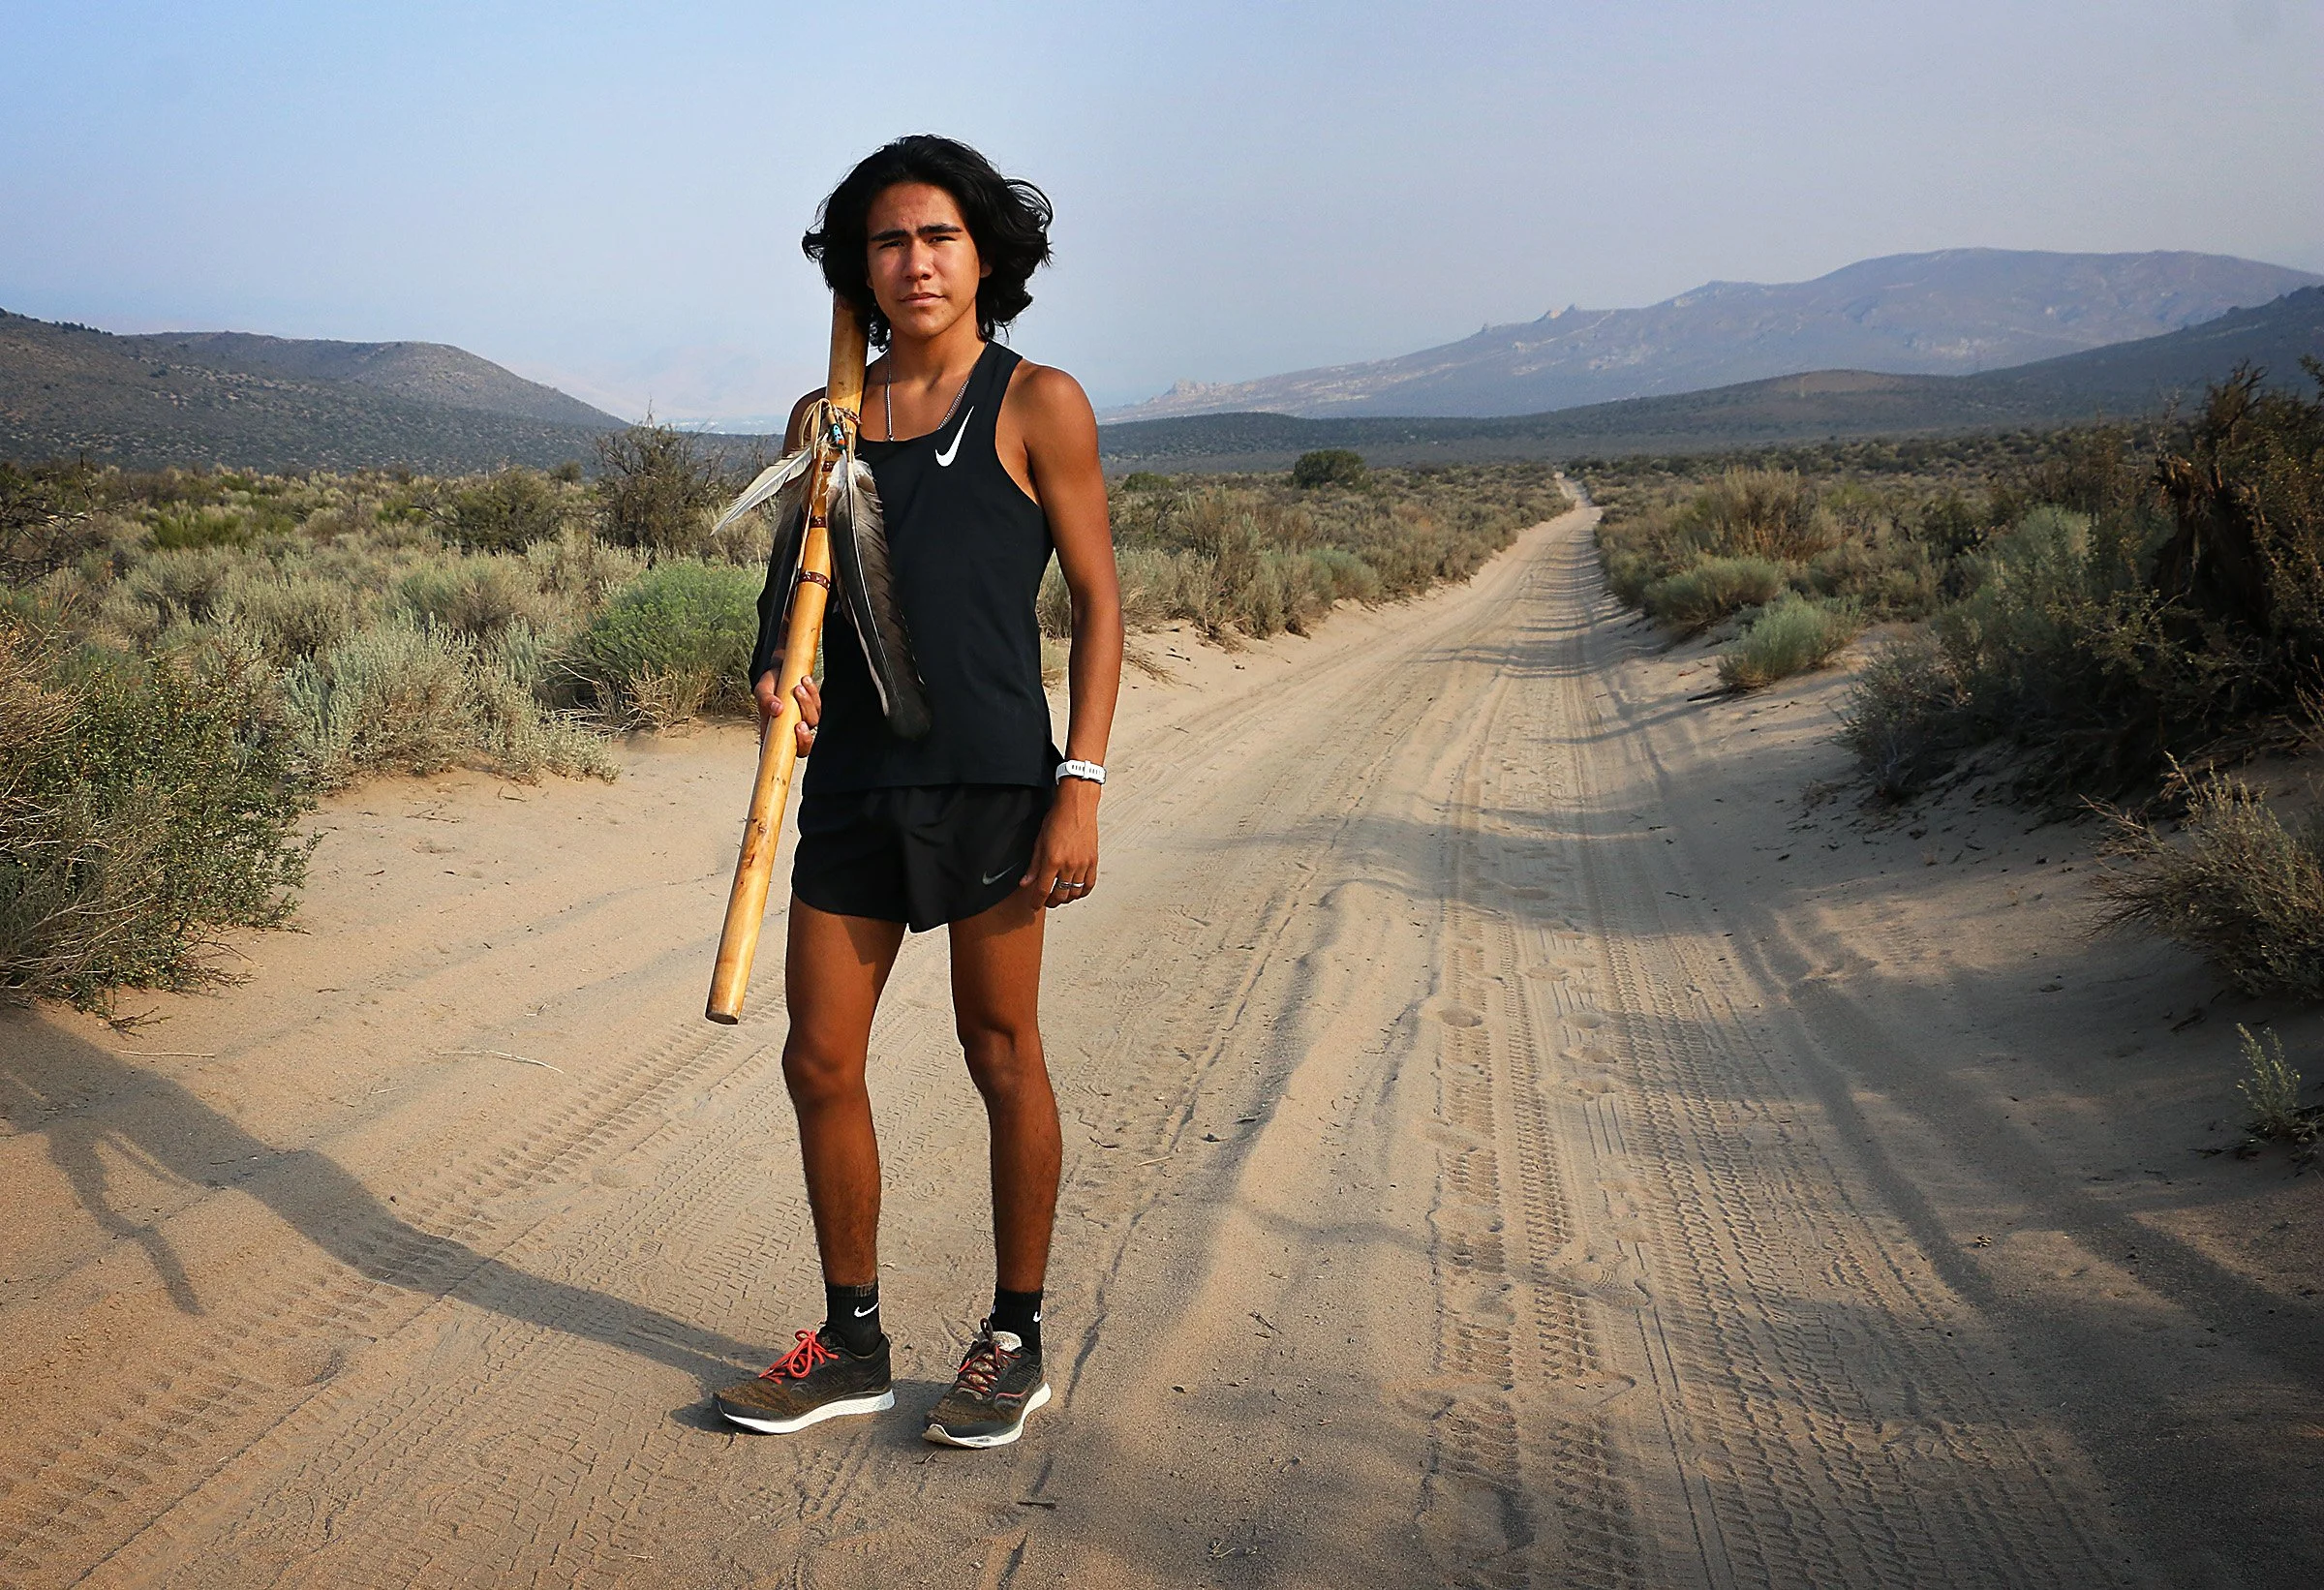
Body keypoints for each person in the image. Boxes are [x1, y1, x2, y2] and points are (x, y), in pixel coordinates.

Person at [711, 136, 1122, 1450]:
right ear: (859, 268)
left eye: (937, 236)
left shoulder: (1036, 401)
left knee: (998, 1051)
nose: (915, 262)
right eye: (888, 242)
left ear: (983, 252)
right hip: (853, 790)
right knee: (817, 1054)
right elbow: (792, 612)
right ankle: (853, 1339)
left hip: (998, 780)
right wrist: (779, 672)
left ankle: (1016, 1335)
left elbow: (1103, 606)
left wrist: (1083, 782)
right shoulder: (824, 418)